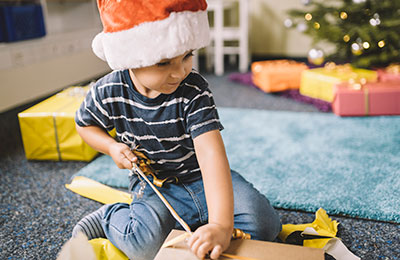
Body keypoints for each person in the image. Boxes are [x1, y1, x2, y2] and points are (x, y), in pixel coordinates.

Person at [72, 0, 281, 259]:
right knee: (144, 248)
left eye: (187, 56)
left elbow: (211, 155)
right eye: (163, 63)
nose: (180, 71)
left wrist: (221, 226)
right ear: (130, 56)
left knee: (265, 225)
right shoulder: (108, 91)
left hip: (202, 179)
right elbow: (85, 124)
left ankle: (204, 222)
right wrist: (112, 147)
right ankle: (108, 218)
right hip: (157, 187)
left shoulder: (194, 89)